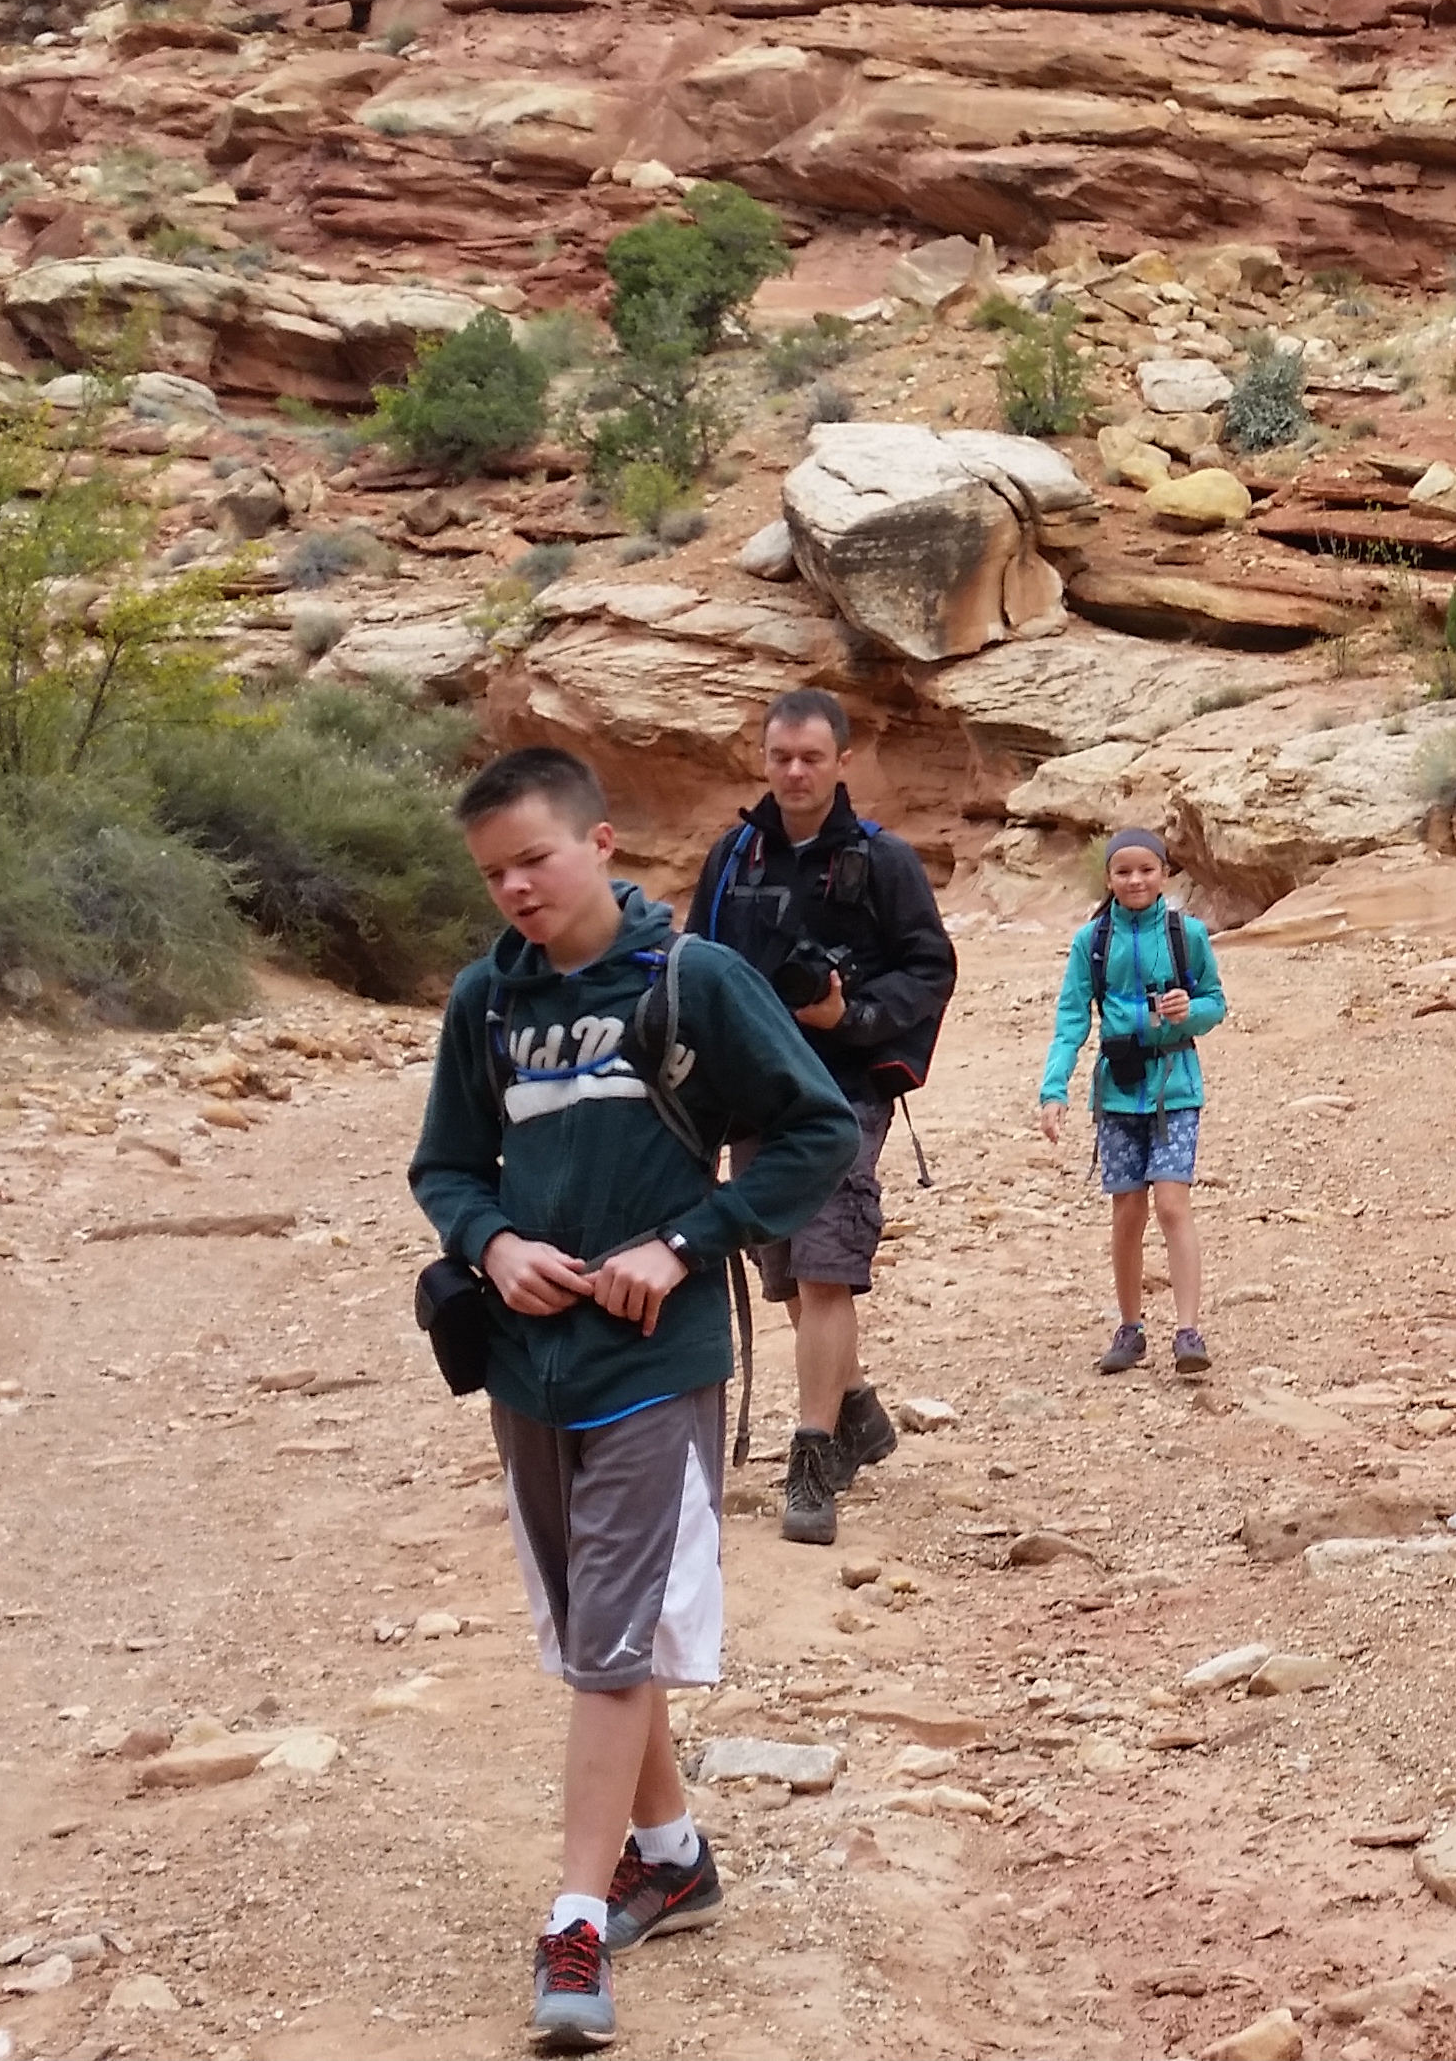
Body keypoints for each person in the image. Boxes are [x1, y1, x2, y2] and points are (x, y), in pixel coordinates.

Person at [411, 746, 859, 2054]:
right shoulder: (483, 1008)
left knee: (605, 1649)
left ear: (602, 842)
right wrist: (492, 1245)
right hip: (524, 1366)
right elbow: (446, 1165)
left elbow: (819, 1128)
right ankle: (669, 1855)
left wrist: (691, 1240)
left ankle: (576, 1923)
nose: (514, 891)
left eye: (534, 860)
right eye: (492, 873)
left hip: (658, 1371)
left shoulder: (691, 981)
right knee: (591, 1635)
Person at [685, 689, 956, 1545]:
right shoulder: (734, 857)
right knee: (792, 1277)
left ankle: (812, 1460)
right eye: (780, 757)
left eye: (811, 757)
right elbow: (691, 970)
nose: (795, 772)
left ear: (843, 762)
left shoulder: (884, 861)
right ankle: (860, 1409)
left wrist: (854, 1018)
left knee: (827, 1269)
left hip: (842, 1092)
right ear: (762, 760)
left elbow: (929, 967)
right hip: (754, 1093)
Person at [1035, 826, 1224, 1376]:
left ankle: (1188, 1330)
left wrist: (1190, 1011)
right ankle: (1130, 1326)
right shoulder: (1091, 941)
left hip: (1175, 1087)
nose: (1135, 880)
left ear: (1165, 873)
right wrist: (1054, 1089)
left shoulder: (1187, 934)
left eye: (1146, 870)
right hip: (1116, 1091)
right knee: (1127, 1213)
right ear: (1108, 878)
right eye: (1123, 871)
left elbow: (1215, 1003)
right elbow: (1071, 1019)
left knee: (1171, 1204)